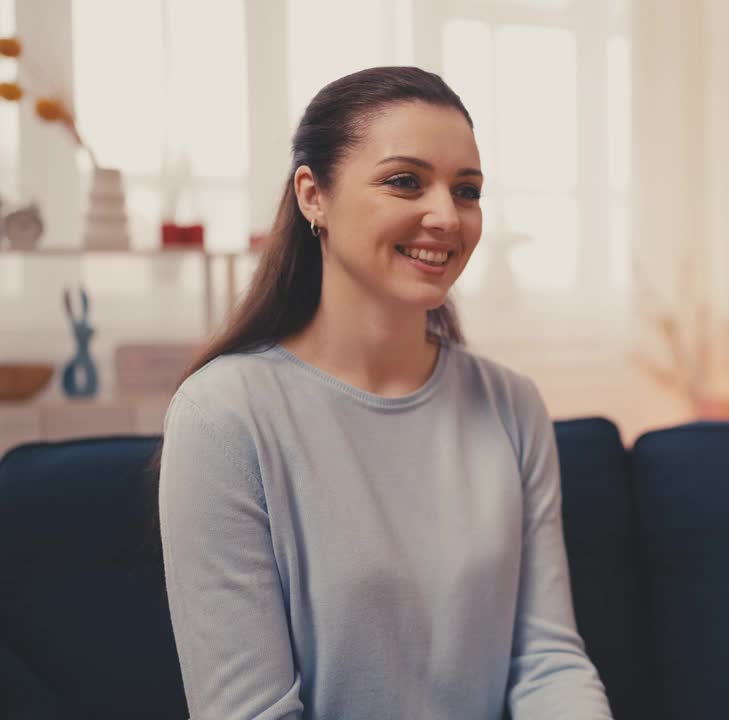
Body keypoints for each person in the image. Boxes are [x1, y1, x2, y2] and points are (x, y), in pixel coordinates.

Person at [156, 66, 613, 719]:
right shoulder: (222, 415)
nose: (445, 216)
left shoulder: (512, 405)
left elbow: (547, 661)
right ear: (314, 195)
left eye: (467, 190)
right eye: (405, 181)